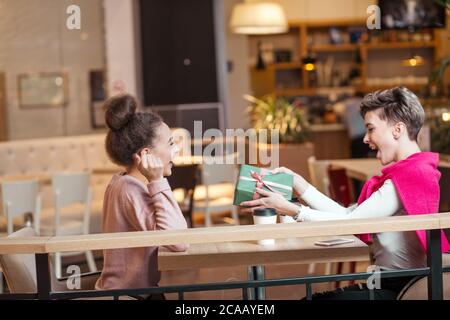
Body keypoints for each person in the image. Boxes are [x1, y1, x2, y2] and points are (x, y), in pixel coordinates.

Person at [241, 87, 450, 300]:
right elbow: (348, 216)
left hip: (400, 289)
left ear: (397, 130)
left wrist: (293, 210)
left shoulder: (410, 175)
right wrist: (298, 184)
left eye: (371, 129)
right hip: (391, 284)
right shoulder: (412, 172)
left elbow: (351, 221)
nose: (365, 138)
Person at [95, 94, 189, 297]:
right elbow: (179, 241)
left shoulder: (124, 182)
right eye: (171, 143)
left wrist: (155, 182)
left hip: (137, 293)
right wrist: (157, 181)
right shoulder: (130, 190)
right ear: (147, 154)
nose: (177, 150)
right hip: (130, 296)